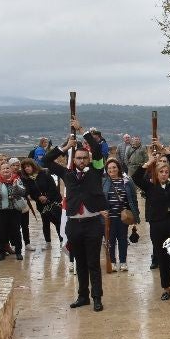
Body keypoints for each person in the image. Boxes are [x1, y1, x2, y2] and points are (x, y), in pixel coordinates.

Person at [47, 126, 108, 312]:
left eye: (84, 158)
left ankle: (97, 297)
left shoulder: (96, 171)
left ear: (89, 159)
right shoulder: (67, 173)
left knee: (93, 263)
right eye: (78, 158)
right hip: (74, 224)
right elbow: (45, 160)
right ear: (73, 160)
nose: (81, 161)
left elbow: (97, 150)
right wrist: (65, 147)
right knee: (80, 262)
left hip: (92, 223)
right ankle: (83, 296)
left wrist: (84, 132)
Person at [133, 145, 170, 302]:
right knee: (162, 257)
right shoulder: (150, 187)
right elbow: (136, 177)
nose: (164, 174)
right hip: (158, 225)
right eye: (161, 172)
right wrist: (149, 161)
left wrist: (165, 151)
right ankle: (166, 288)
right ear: (156, 174)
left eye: (166, 172)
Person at [103, 158, 138, 272]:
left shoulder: (127, 181)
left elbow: (133, 199)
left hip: (123, 216)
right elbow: (100, 198)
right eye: (109, 168)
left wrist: (135, 214)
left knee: (123, 240)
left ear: (118, 168)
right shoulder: (104, 181)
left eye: (114, 167)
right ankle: (112, 262)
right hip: (109, 217)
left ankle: (123, 262)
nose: (112, 170)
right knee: (111, 240)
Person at [21, 157, 62, 249]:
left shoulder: (44, 173)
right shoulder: (26, 179)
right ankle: (48, 243)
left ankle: (62, 240)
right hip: (41, 204)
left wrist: (47, 197)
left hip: (53, 201)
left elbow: (53, 187)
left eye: (28, 166)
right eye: (25, 167)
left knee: (57, 221)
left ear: (33, 166)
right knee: (45, 222)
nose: (27, 168)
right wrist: (38, 197)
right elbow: (29, 192)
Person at [0, 159, 28, 261]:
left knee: (16, 230)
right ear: (0, 171)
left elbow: (23, 192)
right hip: (1, 210)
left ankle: (18, 252)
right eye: (3, 169)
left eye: (7, 168)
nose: (6, 170)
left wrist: (16, 188)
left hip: (14, 209)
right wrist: (0, 192)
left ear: (10, 169)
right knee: (1, 231)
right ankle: (0, 252)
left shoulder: (17, 179)